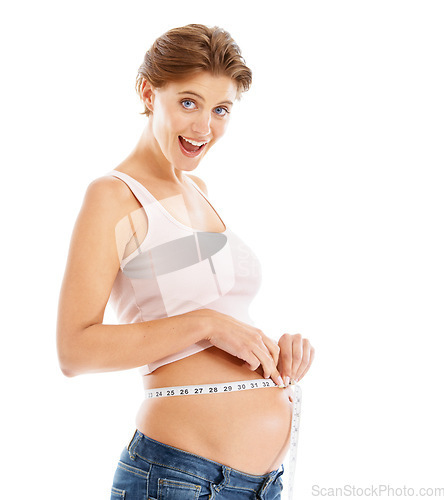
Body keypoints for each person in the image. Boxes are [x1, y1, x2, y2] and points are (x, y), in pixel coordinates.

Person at [56, 23, 315, 499]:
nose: (204, 128)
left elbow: (190, 303)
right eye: (189, 102)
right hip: (178, 479)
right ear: (149, 93)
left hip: (261, 485)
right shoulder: (113, 197)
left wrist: (269, 353)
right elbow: (75, 351)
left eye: (221, 110)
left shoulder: (200, 192)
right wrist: (207, 326)